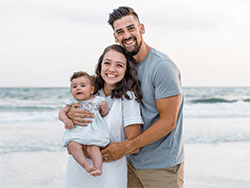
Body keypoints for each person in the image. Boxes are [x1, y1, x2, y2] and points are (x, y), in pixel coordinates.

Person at [101, 6, 184, 188]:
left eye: (131, 28)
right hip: (130, 164)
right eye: (120, 31)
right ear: (116, 37)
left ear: (142, 29)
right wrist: (68, 111)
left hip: (161, 167)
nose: (127, 35)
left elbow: (168, 121)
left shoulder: (162, 67)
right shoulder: (124, 67)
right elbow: (96, 89)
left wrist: (125, 147)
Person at [62, 44, 143, 188]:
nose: (111, 69)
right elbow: (72, 133)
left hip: (109, 176)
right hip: (77, 174)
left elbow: (133, 144)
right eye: (107, 63)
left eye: (119, 65)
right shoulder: (89, 94)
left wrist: (89, 151)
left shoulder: (128, 98)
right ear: (100, 66)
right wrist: (68, 115)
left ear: (126, 70)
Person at [59, 71, 110, 176]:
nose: (78, 88)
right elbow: (61, 112)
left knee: (94, 148)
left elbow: (103, 114)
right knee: (73, 145)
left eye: (82, 85)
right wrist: (66, 119)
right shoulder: (72, 102)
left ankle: (98, 167)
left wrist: (104, 109)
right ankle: (86, 165)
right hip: (77, 131)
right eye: (74, 86)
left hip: (93, 131)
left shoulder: (97, 100)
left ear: (91, 89)